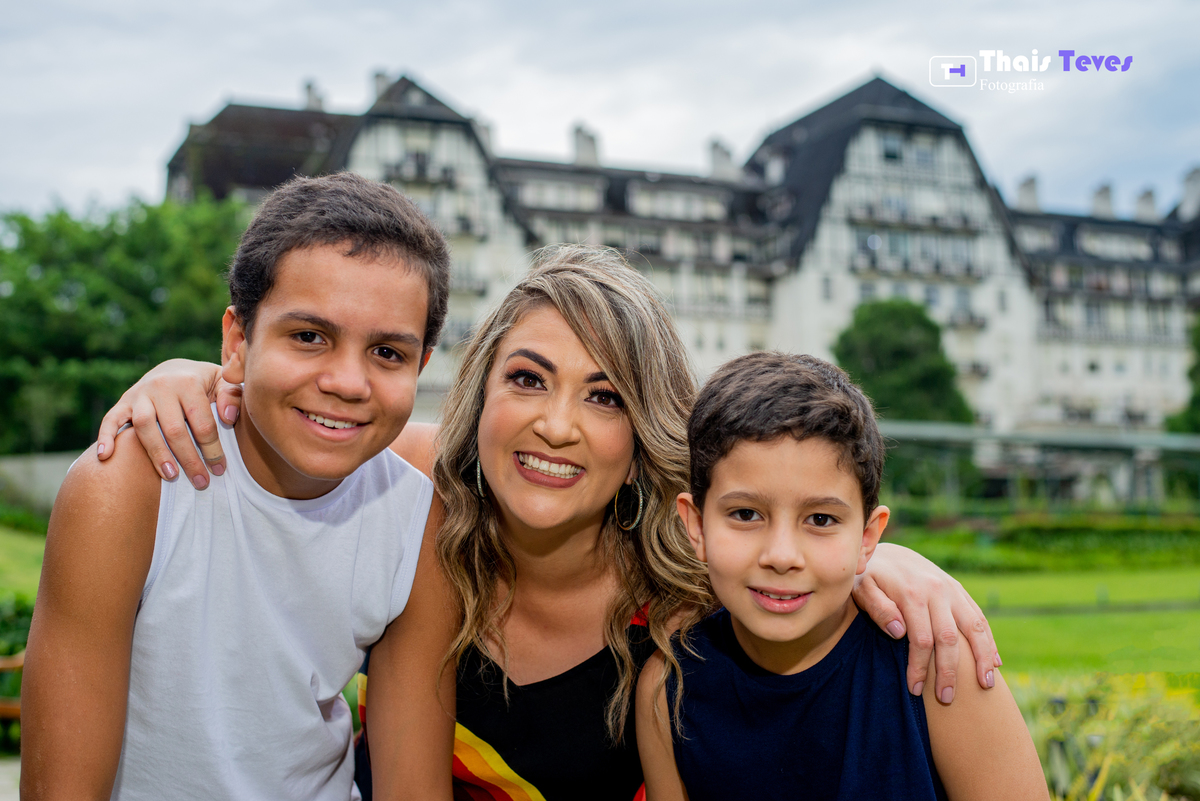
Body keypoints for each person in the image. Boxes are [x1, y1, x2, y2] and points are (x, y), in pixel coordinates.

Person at [97, 246, 1001, 800]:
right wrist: (191, 378)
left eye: (603, 396)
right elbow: (307, 409)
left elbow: (793, 540)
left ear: (642, 434)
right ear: (482, 392)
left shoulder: (691, 594)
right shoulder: (410, 490)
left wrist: (892, 563)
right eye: (528, 379)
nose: (556, 425)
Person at [20, 173, 457, 800]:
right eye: (309, 337)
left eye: (388, 352)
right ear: (237, 340)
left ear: (421, 366)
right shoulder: (128, 487)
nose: (347, 382)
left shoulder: (419, 522)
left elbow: (411, 788)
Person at [636, 352, 1047, 801]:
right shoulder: (667, 690)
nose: (782, 556)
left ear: (868, 537)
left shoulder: (938, 663)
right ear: (696, 526)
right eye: (746, 514)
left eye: (821, 519)